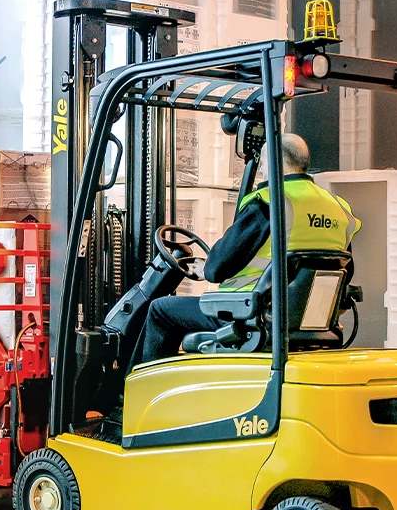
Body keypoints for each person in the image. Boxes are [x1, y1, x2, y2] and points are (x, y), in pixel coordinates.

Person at [132, 133, 360, 366]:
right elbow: (345, 270)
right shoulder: (337, 207)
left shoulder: (270, 202)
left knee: (160, 310)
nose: (261, 170)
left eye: (262, 163)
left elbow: (216, 269)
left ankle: (134, 394)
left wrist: (206, 268)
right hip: (310, 322)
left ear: (275, 162)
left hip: (251, 316)